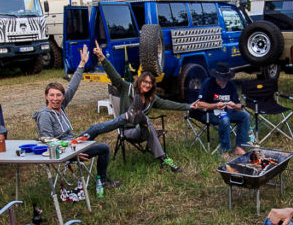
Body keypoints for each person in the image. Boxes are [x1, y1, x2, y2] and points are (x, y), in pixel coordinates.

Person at [82, 41, 194, 172]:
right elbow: (114, 76)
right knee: (145, 120)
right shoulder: (127, 89)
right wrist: (102, 58)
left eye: (150, 83)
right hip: (129, 131)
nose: (147, 85)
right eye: (145, 82)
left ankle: (140, 120)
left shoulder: (152, 99)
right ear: (140, 81)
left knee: (145, 121)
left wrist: (188, 106)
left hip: (142, 131)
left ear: (152, 86)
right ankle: (163, 157)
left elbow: (170, 104)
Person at [32, 45, 121, 188]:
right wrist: (72, 155)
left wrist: (81, 64)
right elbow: (49, 143)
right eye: (52, 95)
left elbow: (72, 87)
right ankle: (102, 180)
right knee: (103, 147)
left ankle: (126, 119)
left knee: (95, 128)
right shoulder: (44, 116)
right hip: (66, 150)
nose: (56, 99)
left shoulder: (60, 106)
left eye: (59, 95)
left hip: (74, 143)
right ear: (46, 97)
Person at [193, 63, 250, 158]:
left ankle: (239, 147)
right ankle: (225, 150)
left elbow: (240, 106)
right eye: (221, 79)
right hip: (209, 113)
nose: (223, 82)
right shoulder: (208, 83)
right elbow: (199, 103)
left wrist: (234, 106)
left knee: (245, 116)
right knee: (225, 119)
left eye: (225, 80)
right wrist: (215, 105)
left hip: (227, 111)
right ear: (215, 77)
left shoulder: (231, 85)